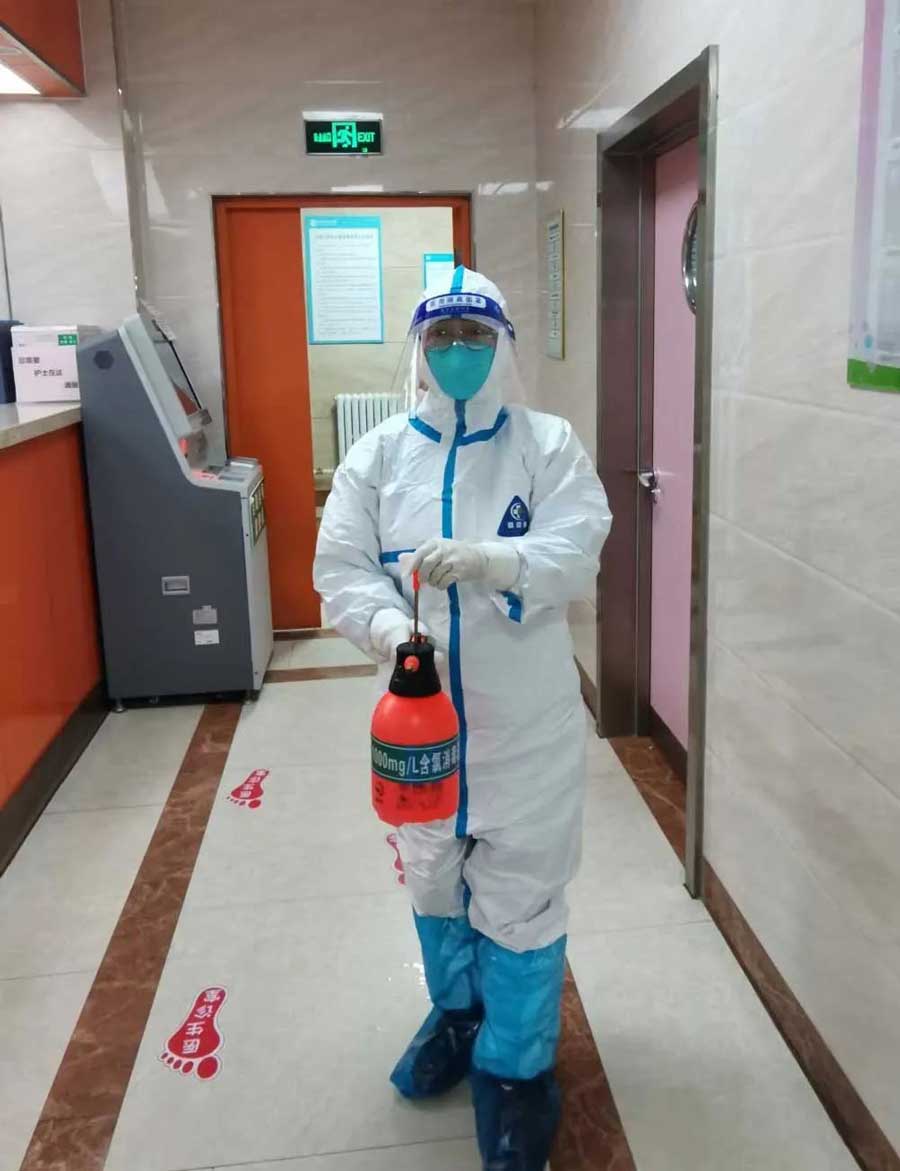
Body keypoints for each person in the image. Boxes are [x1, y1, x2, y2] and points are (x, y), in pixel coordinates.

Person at [314, 267, 612, 1170]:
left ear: (503, 346)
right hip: (421, 732)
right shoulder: (377, 457)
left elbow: (578, 546)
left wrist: (494, 560)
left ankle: (517, 1072)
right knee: (432, 878)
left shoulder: (547, 446)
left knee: (523, 896)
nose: (456, 351)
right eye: (440, 336)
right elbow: (340, 567)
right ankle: (456, 1016)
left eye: (474, 336)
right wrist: (385, 626)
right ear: (418, 349)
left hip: (526, 729)